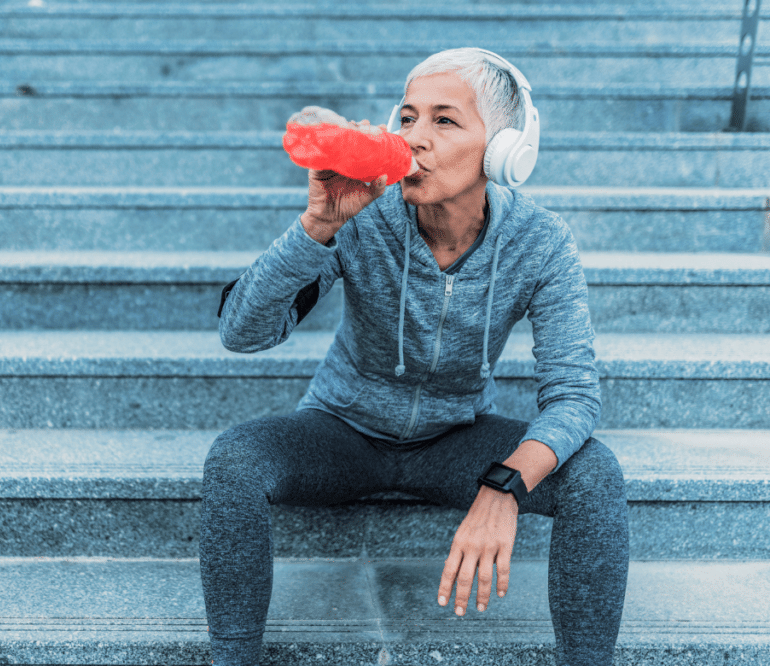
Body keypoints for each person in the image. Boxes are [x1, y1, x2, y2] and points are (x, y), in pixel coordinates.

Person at [202, 47, 629, 666]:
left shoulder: (541, 242)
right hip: (342, 432)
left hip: (453, 439)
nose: (415, 139)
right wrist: (317, 225)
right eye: (407, 118)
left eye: (444, 120)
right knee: (235, 461)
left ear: (506, 148)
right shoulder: (364, 215)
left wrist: (504, 486)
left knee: (594, 474)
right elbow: (243, 332)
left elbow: (575, 394)